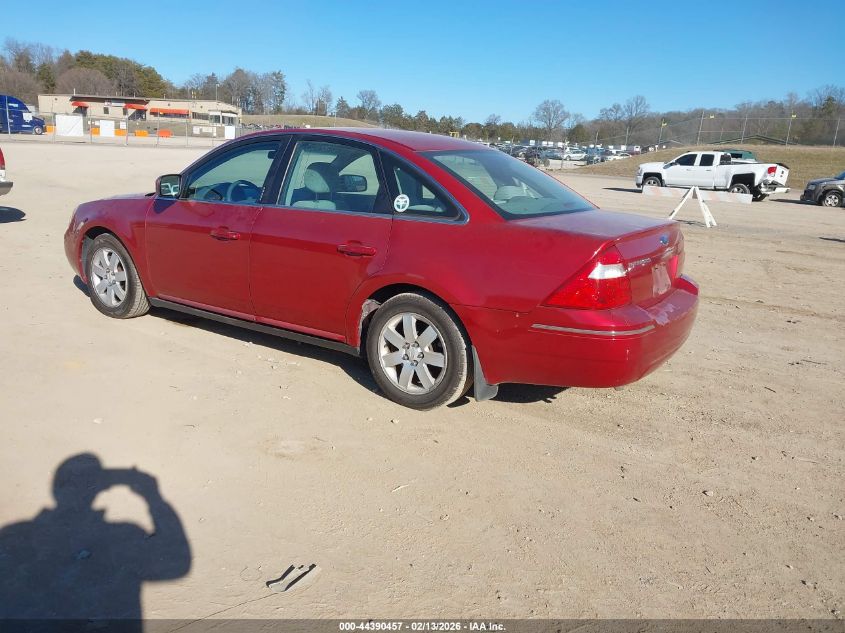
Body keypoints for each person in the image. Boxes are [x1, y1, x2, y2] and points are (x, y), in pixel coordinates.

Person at [0, 453, 191, 625]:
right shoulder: (122, 537)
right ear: (100, 487)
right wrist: (153, 497)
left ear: (57, 488)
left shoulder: (15, 537)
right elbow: (176, 562)